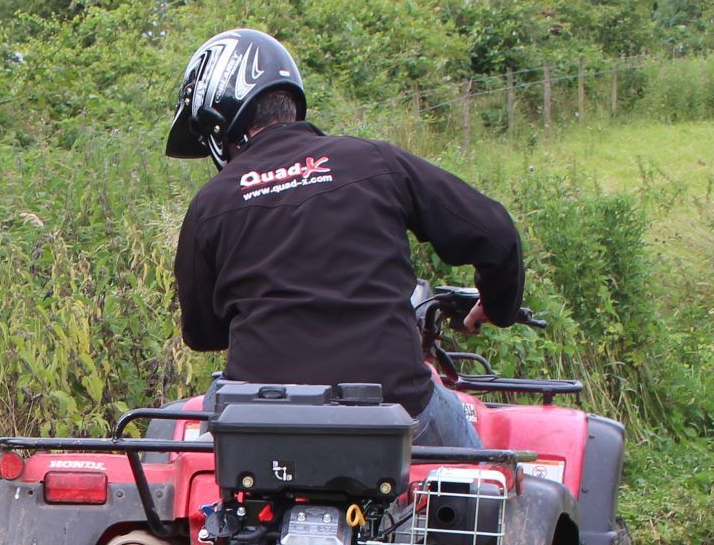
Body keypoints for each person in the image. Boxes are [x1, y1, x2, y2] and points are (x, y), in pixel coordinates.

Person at [166, 29, 524, 449]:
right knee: (484, 477)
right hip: (395, 410)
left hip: (261, 423)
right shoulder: (375, 161)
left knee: (211, 443)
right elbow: (497, 235)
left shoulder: (211, 202)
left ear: (218, 123)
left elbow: (203, 334)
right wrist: (496, 307)